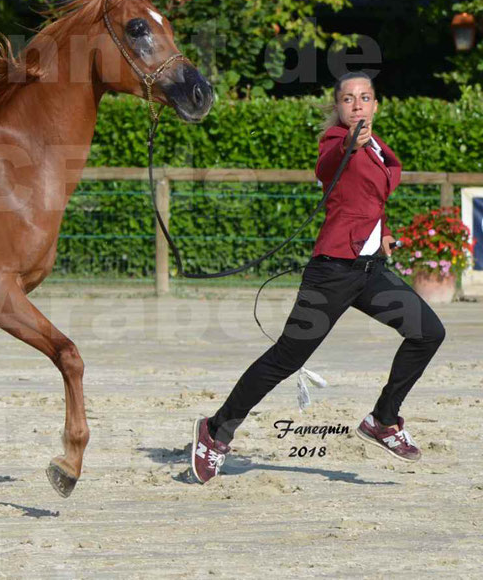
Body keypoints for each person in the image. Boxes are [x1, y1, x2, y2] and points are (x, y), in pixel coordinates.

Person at [189, 71, 447, 484]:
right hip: (332, 273)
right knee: (287, 359)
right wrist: (348, 143)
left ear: (376, 104)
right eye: (348, 99)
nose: (358, 104)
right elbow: (328, 167)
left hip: (369, 272)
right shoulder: (336, 142)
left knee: (428, 332)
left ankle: (383, 420)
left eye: (365, 97)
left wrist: (383, 233)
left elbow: (370, 198)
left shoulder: (380, 149)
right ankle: (216, 429)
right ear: (338, 107)